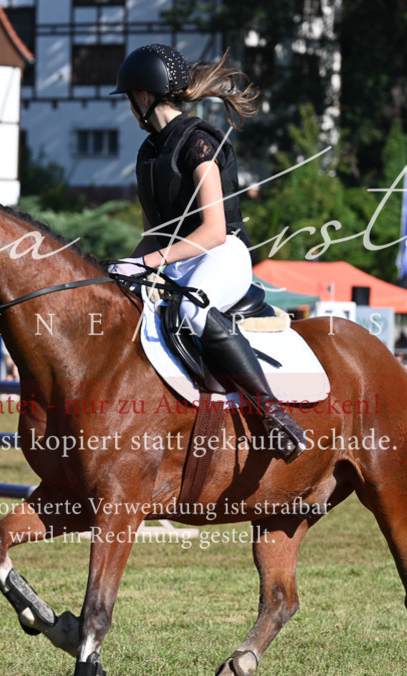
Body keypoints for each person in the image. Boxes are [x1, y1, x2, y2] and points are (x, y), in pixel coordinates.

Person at [108, 44, 306, 456]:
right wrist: (125, 265)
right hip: (178, 258)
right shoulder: (149, 151)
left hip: (222, 254)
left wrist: (150, 261)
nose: (130, 108)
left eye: (130, 98)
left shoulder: (198, 142)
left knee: (192, 311)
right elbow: (154, 235)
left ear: (144, 96)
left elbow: (214, 230)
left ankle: (274, 416)